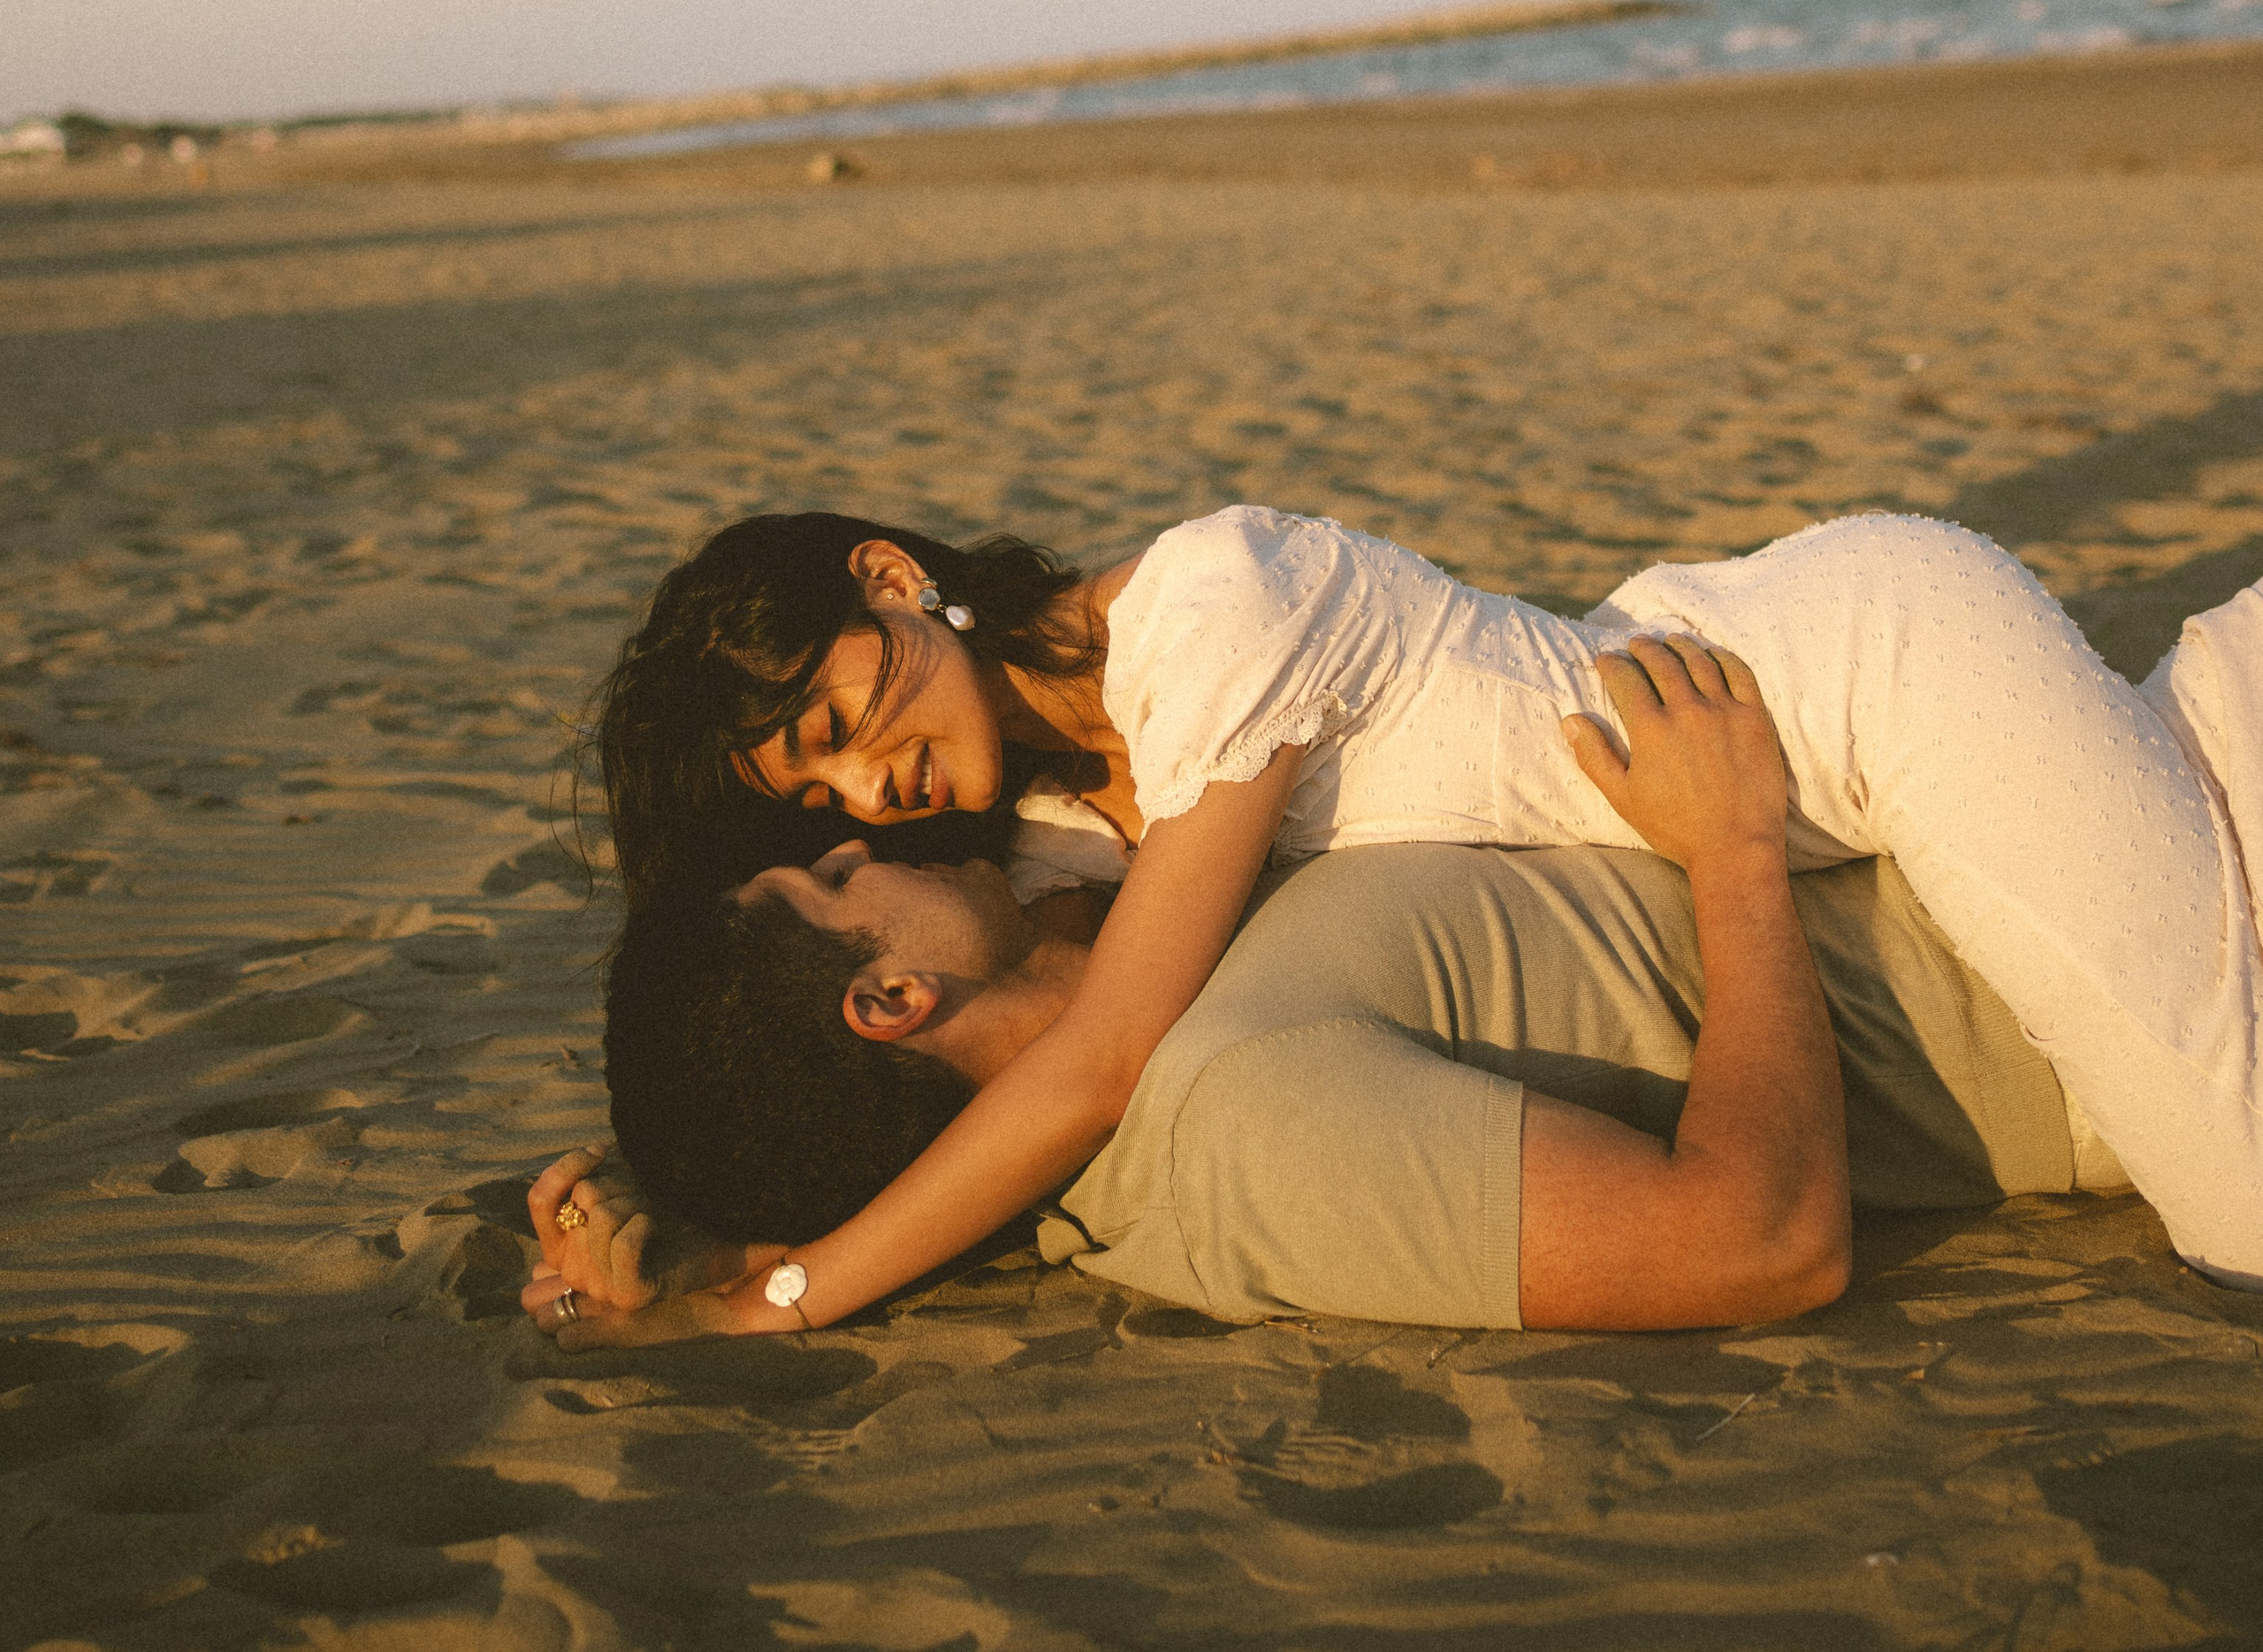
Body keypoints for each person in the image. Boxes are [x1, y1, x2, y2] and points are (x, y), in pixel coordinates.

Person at [583, 505, 2263, 1313]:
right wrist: (695, 1205)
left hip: (1856, 687)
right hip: (1782, 778)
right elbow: (855, 1048)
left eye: (838, 723)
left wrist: (786, 1301)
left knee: (2241, 1206)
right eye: (821, 806)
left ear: (892, 577)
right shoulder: (1045, 825)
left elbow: (1094, 1063)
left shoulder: (1213, 616)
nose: (872, 794)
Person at [522, 668, 2130, 1344]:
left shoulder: (1136, 942)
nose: (863, 833)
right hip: (2090, 953)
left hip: (2058, 775)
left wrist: (718, 1230)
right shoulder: (1242, 1120)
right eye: (827, 873)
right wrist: (1734, 858)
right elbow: (1757, 1242)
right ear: (889, 993)